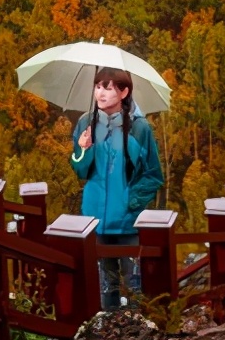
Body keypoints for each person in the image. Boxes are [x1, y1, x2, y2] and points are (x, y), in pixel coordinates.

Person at [70, 66, 164, 312]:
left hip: (126, 221)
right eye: (98, 86)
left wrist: (131, 204)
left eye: (108, 88)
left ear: (124, 92)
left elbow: (154, 175)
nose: (100, 93)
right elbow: (80, 171)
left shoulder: (139, 128)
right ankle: (105, 334)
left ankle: (137, 332)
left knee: (133, 285)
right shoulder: (85, 123)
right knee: (104, 285)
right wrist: (83, 149)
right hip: (94, 218)